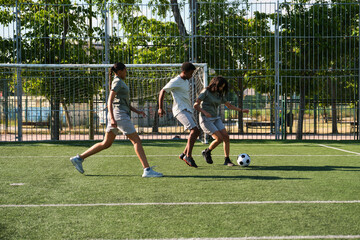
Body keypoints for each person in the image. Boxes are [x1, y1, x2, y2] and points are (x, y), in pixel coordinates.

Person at [70, 62, 163, 178]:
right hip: (119, 115)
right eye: (125, 70)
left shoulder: (119, 82)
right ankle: (147, 170)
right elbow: (110, 101)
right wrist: (113, 118)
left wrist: (137, 111)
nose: (126, 72)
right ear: (119, 72)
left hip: (118, 115)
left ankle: (79, 158)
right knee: (136, 141)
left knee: (106, 143)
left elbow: (123, 102)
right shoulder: (118, 82)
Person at [194, 76, 249, 166]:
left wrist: (241, 110)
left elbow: (229, 105)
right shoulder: (205, 92)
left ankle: (227, 160)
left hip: (216, 118)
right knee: (219, 138)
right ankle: (207, 152)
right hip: (205, 119)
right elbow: (196, 105)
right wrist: (204, 112)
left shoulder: (219, 94)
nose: (221, 89)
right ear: (214, 84)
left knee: (226, 137)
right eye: (220, 86)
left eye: (223, 87)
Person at [158, 62, 200, 168]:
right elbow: (162, 91)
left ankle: (183, 154)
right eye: (190, 73)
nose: (191, 76)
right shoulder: (176, 81)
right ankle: (188, 156)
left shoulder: (185, 80)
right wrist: (160, 108)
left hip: (187, 109)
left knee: (197, 131)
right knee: (194, 130)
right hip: (180, 110)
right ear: (184, 72)